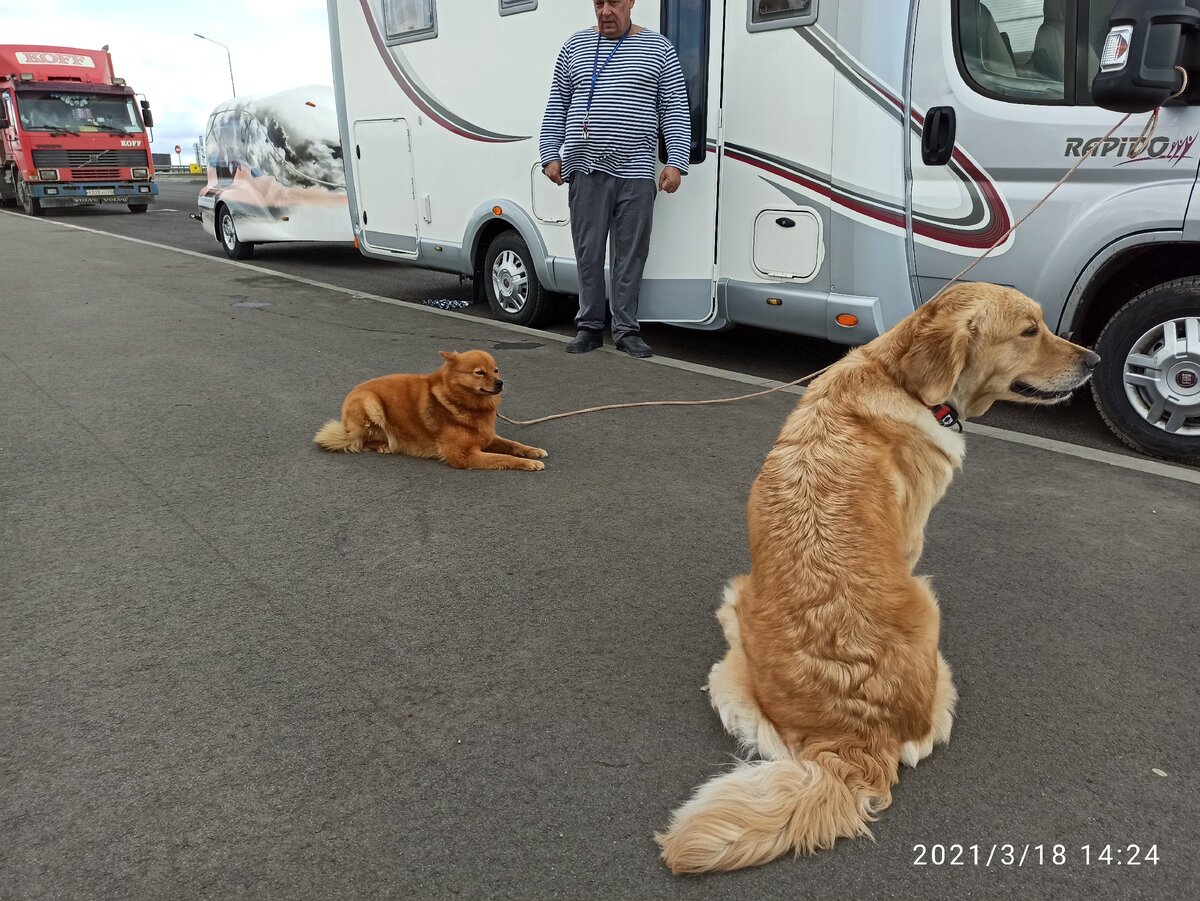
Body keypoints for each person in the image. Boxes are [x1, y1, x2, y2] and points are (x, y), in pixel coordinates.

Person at [539, 0, 691, 359]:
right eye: (598, 3)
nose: (605, 11)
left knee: (631, 253)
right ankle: (589, 327)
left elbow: (674, 107)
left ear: (631, 3)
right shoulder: (574, 45)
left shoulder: (658, 47)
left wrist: (676, 162)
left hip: (636, 171)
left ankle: (626, 329)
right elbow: (557, 103)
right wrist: (549, 152)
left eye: (614, 3)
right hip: (585, 167)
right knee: (588, 252)